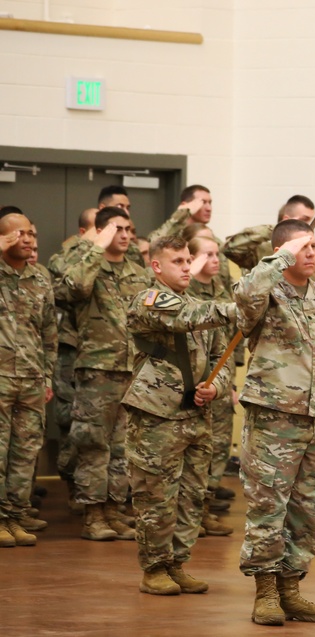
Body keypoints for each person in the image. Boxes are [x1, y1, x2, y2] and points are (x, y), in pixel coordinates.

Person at [235, 219, 315, 625]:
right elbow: (244, 293)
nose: (313, 253)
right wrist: (279, 257)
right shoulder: (266, 293)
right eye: (303, 247)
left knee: (308, 510)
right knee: (268, 505)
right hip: (274, 419)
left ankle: (291, 589)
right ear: (282, 252)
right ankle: (265, 592)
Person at [123, 236, 236, 595]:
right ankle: (154, 567)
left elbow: (225, 360)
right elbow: (187, 318)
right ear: (157, 266)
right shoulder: (149, 300)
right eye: (178, 262)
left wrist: (216, 387)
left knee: (191, 495)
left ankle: (177, 563)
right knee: (156, 495)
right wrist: (241, 306)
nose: (188, 267)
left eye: (189, 260)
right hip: (157, 414)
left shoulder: (206, 308)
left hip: (196, 415)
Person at [57, 206, 152, 541]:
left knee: (122, 446)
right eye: (117, 229)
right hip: (97, 368)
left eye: (129, 229)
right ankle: (93, 515)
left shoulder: (137, 271)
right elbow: (73, 289)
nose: (125, 235)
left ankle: (113, 509)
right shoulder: (88, 265)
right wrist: (97, 247)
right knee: (93, 444)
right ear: (101, 232)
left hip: (132, 368)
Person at [0, 214, 57, 547]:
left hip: (32, 378)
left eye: (32, 233)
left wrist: (48, 374)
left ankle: (16, 514)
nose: (29, 239)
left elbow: (49, 330)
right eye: (19, 233)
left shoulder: (40, 277)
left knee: (24, 452)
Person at [48, 207, 99, 514]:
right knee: (71, 421)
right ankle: (72, 481)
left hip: (103, 356)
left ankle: (96, 491)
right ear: (84, 234)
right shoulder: (64, 258)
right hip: (72, 351)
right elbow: (67, 290)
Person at [185, 235, 238, 536]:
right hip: (192, 380)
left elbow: (232, 339)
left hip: (218, 381)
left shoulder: (222, 290)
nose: (216, 260)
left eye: (217, 254)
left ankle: (205, 509)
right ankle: (190, 514)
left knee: (216, 447)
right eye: (208, 254)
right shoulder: (185, 290)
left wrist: (227, 383)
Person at [223, 195, 315, 285]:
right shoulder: (265, 251)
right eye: (304, 220)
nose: (310, 226)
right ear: (286, 220)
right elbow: (230, 248)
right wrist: (280, 229)